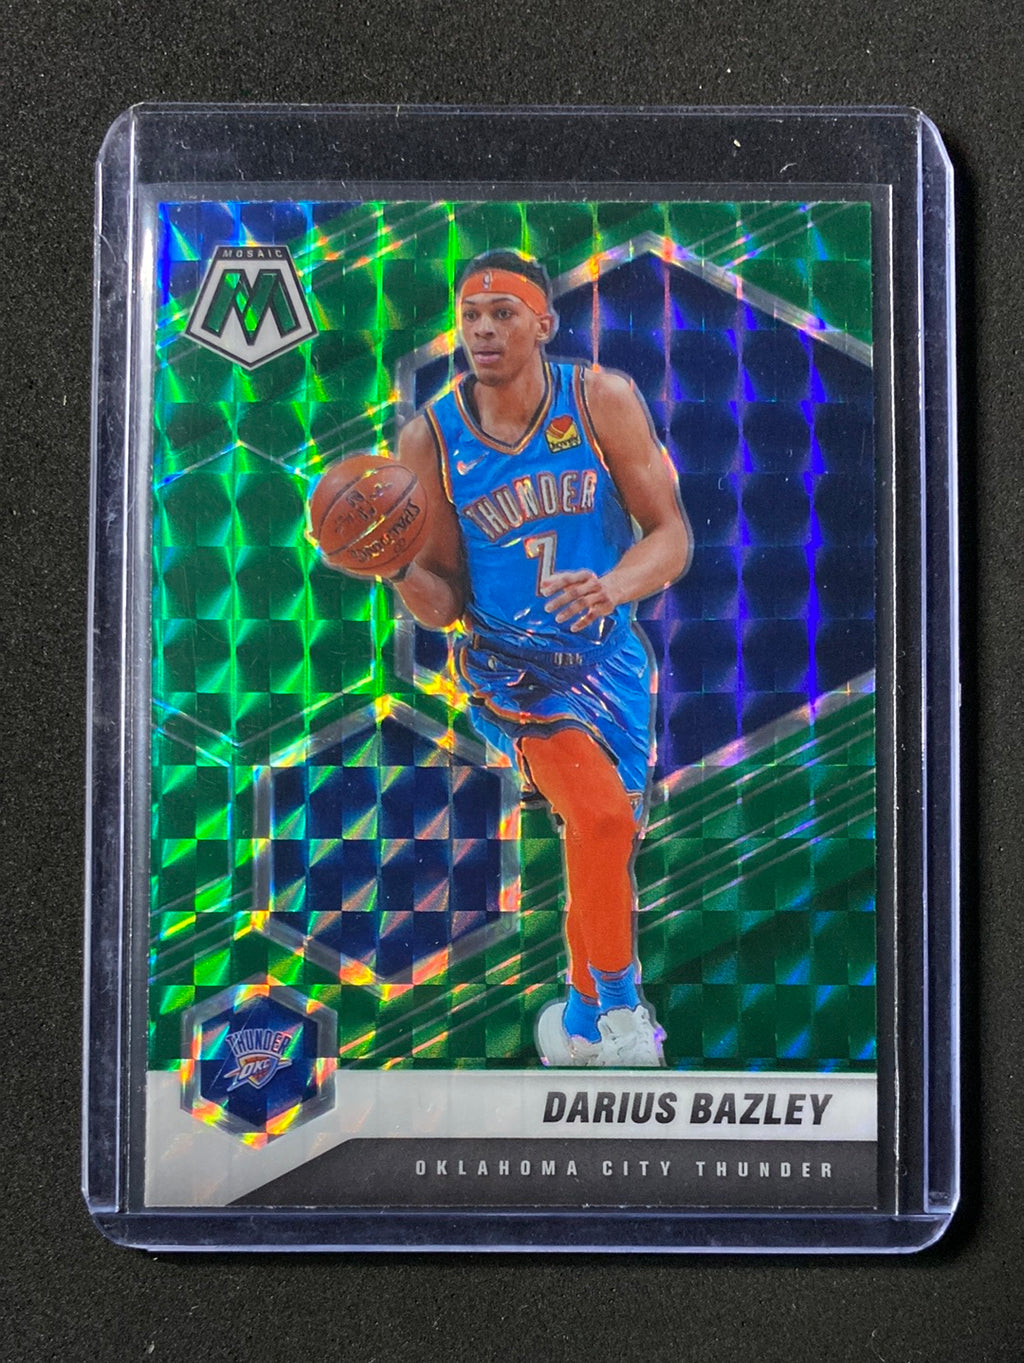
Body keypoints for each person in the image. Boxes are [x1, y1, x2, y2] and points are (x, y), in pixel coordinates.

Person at [388, 250, 691, 1067]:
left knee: (605, 837)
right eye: (471, 315)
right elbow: (444, 603)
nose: (483, 329)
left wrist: (612, 585)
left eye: (503, 312)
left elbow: (671, 536)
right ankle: (626, 1016)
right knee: (599, 815)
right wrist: (395, 567)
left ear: (543, 323)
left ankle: (580, 1019)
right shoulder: (432, 437)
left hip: (609, 658)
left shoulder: (600, 399)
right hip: (510, 668)